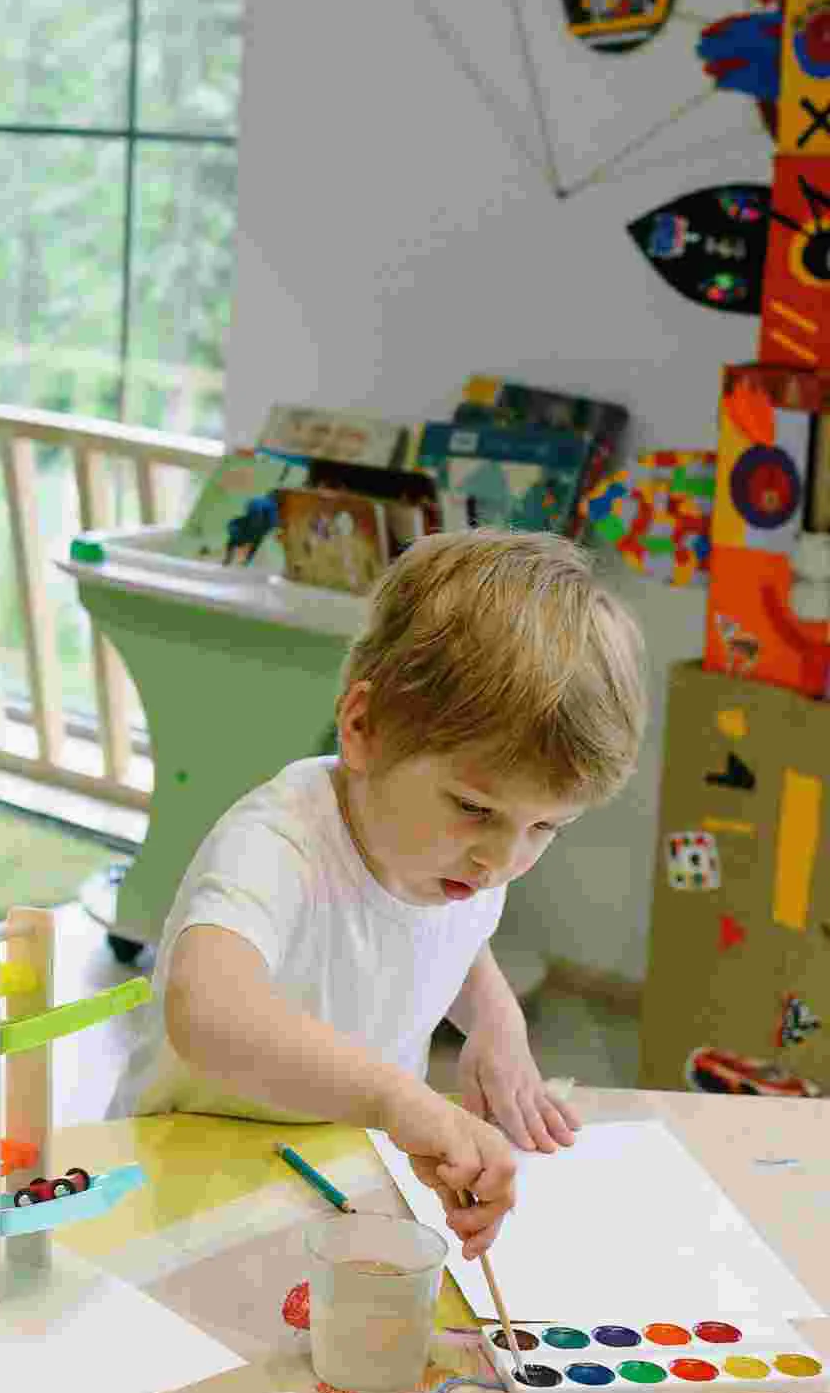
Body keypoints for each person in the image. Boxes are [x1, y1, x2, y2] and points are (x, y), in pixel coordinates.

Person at [109, 528, 648, 1259]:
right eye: (476, 809)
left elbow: (445, 930)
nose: (502, 860)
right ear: (363, 728)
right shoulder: (279, 842)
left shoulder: (450, 856)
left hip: (338, 1167)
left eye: (547, 826)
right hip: (186, 1175)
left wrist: (496, 1021)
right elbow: (207, 1010)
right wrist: (401, 1100)